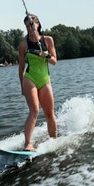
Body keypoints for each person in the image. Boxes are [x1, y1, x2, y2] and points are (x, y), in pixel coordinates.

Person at [18, 14, 58, 151]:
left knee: (49, 114)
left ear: (38, 24)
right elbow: (21, 67)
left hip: (45, 79)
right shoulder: (23, 45)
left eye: (31, 24)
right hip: (30, 79)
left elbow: (54, 61)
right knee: (34, 110)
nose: (29, 28)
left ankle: (54, 140)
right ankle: (28, 144)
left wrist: (46, 55)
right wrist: (21, 85)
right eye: (27, 26)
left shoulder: (48, 40)